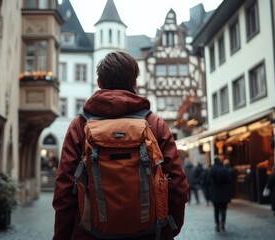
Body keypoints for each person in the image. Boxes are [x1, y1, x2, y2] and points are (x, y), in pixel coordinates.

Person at [52, 51, 189, 240]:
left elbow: (64, 191)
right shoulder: (155, 124)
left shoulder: (79, 126)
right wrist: (168, 230)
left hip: (90, 234)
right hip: (149, 234)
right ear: (134, 83)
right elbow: (178, 187)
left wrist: (62, 236)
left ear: (99, 83)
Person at [209, 157, 232, 232]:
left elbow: (208, 180)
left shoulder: (212, 169)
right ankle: (223, 224)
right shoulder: (224, 169)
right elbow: (229, 180)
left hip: (215, 193)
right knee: (223, 209)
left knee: (216, 210)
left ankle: (217, 225)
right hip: (224, 192)